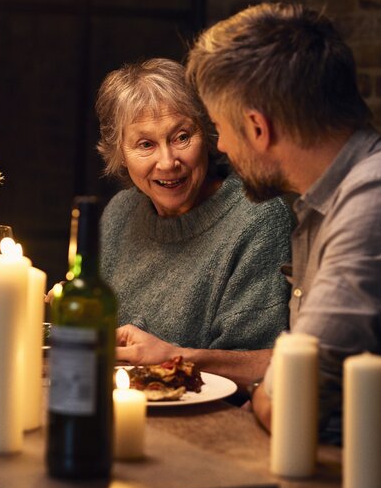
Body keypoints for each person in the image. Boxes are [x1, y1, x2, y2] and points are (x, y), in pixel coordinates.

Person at [186, 3, 381, 488]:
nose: (219, 145)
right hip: (331, 477)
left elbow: (292, 402)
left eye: (218, 127)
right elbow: (301, 368)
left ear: (258, 127)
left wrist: (273, 391)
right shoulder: (324, 199)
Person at [97, 58, 293, 387]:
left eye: (181, 137)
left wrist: (173, 357)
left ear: (208, 132)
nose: (168, 162)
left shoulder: (257, 216)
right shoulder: (119, 213)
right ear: (120, 153)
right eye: (145, 144)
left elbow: (267, 365)